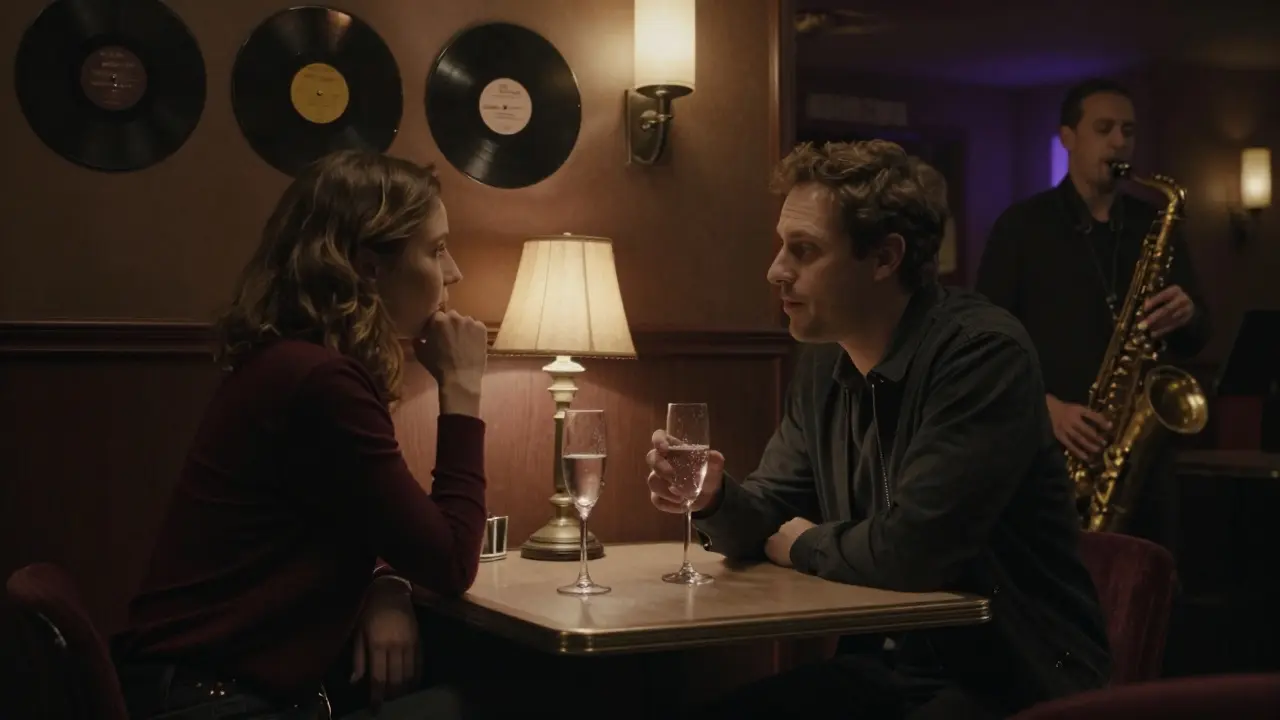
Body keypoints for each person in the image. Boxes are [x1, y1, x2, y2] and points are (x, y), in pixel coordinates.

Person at [646, 140, 1111, 718]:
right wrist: (716, 500)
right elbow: (772, 512)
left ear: (885, 258)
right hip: (890, 668)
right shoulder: (825, 359)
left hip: (1010, 675)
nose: (776, 271)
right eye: (781, 247)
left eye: (804, 250)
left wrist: (803, 543)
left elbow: (915, 550)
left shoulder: (982, 353)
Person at [111, 150, 490, 719]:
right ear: (369, 267)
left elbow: (362, 515)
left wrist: (384, 584)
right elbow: (451, 562)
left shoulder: (291, 364)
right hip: (219, 704)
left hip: (191, 689)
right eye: (436, 250)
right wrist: (461, 388)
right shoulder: (322, 384)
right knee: (505, 698)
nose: (453, 272)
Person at [976, 77, 1209, 544]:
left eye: (1128, 130)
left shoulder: (1152, 223)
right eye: (1105, 129)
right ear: (1068, 138)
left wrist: (1189, 313)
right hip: (1051, 453)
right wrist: (1048, 410)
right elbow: (984, 345)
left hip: (1141, 465)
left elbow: (1199, 336)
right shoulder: (1022, 227)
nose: (1120, 141)